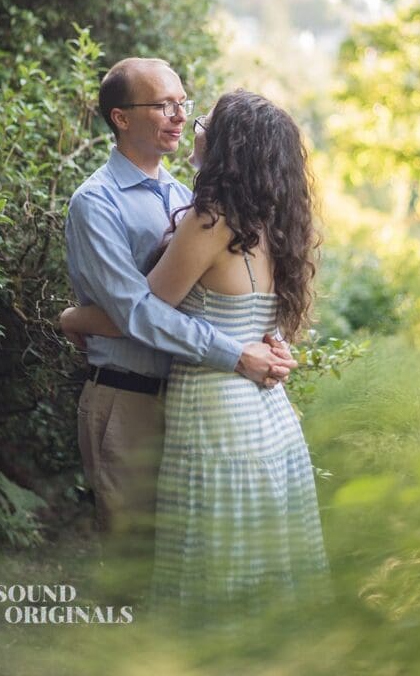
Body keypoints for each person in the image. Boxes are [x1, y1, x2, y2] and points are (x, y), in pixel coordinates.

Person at [63, 89, 328, 614]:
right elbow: (258, 317)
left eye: (202, 115)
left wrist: (72, 318)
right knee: (255, 553)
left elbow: (144, 311)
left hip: (215, 410)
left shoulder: (207, 220)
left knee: (209, 554)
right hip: (266, 414)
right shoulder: (273, 222)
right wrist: (269, 346)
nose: (191, 121)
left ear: (229, 144)